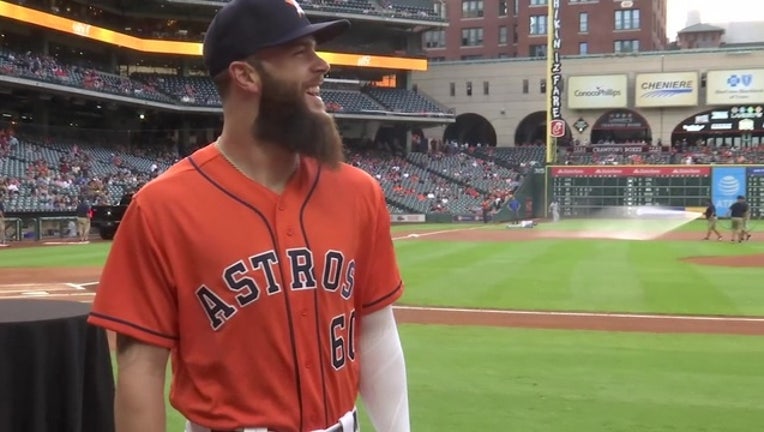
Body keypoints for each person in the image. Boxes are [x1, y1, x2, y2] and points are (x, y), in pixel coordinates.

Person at [86, 1, 411, 431]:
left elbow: (374, 330)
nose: (322, 65)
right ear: (245, 75)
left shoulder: (357, 191)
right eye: (300, 53)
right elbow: (139, 369)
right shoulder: (162, 206)